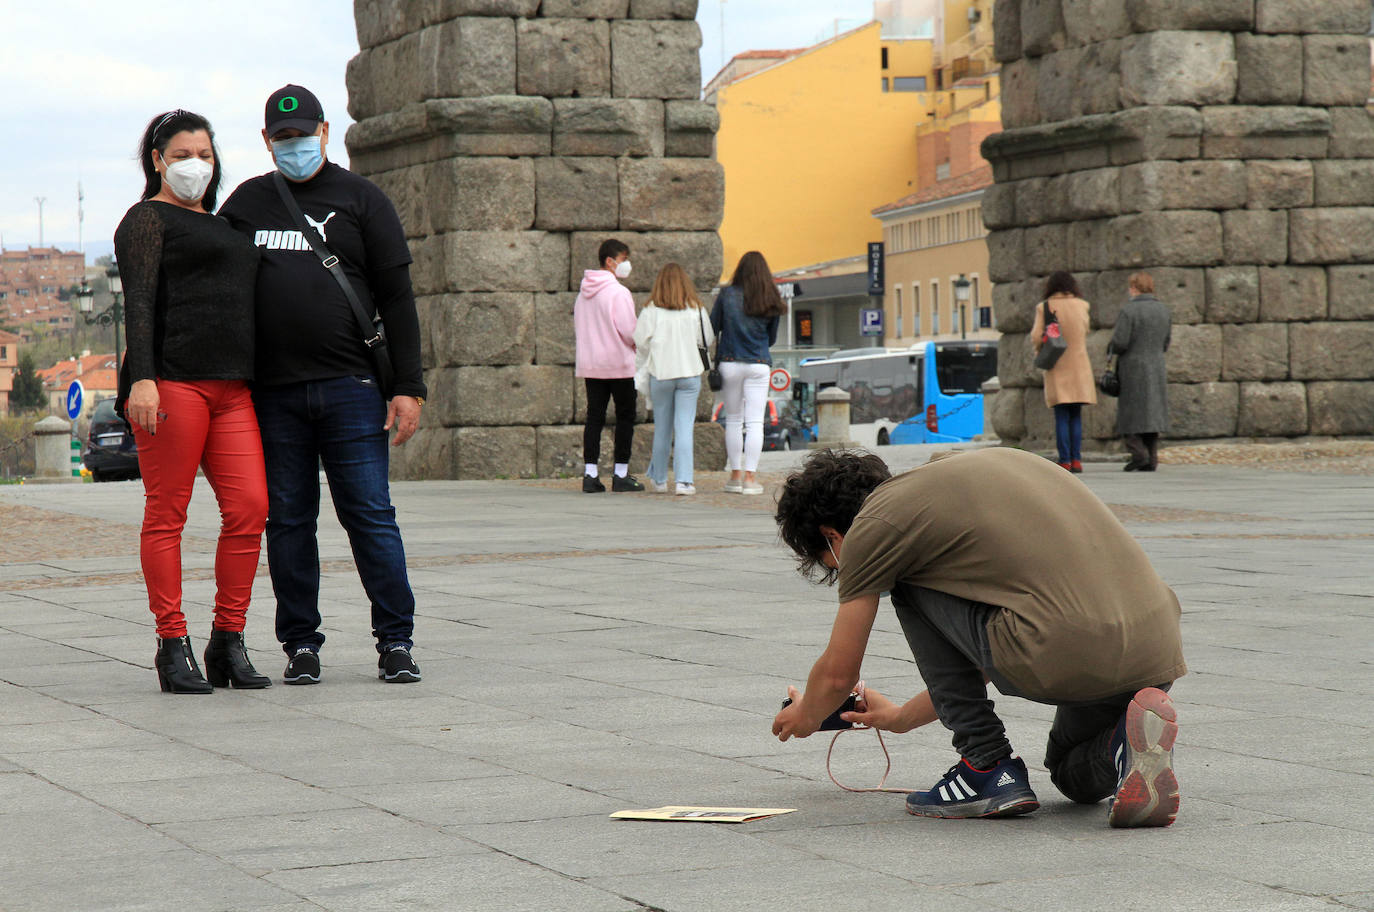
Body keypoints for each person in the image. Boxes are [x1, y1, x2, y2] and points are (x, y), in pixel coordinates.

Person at [771, 447, 1186, 828]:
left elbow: (838, 677)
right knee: (1071, 777)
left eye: (831, 563)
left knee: (906, 582)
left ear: (832, 535)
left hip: (1062, 649)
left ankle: (986, 765)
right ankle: (1123, 745)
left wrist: (806, 717)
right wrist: (899, 718)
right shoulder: (966, 475)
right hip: (1156, 646)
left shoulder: (876, 526)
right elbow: (985, 646)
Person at [218, 85, 427, 685]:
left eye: (303, 135)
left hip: (352, 388)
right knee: (287, 522)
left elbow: (398, 298)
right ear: (266, 141)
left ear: (325, 132)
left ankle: (396, 641)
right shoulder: (247, 204)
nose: (294, 145)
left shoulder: (363, 199)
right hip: (274, 395)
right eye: (283, 138)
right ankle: (300, 645)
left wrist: (407, 386)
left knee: (370, 516)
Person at [114, 109, 270, 694]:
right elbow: (139, 304)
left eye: (203, 154)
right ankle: (172, 643)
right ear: (157, 160)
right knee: (167, 513)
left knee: (251, 506)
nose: (194, 165)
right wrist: (142, 380)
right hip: (173, 384)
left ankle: (228, 640)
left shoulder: (228, 224)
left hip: (233, 388)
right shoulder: (145, 220)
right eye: (181, 155)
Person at [633, 263, 713, 495]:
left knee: (662, 428)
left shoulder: (650, 311)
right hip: (689, 374)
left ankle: (659, 479)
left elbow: (640, 342)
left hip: (661, 374)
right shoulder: (696, 310)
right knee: (684, 427)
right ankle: (684, 481)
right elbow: (706, 339)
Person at [710, 251, 784, 495]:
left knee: (733, 420)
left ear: (740, 270)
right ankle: (750, 479)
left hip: (730, 362)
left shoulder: (727, 295)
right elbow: (771, 338)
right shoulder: (771, 296)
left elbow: (713, 328)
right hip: (759, 363)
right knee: (754, 423)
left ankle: (734, 476)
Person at [575, 239, 643, 493]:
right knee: (625, 417)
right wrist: (637, 347)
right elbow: (628, 330)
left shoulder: (583, 293)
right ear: (610, 261)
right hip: (618, 364)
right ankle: (620, 473)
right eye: (624, 259)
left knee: (594, 417)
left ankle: (590, 473)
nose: (626, 264)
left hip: (591, 364)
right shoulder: (618, 292)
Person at [1029, 271, 1096, 473]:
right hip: (1079, 366)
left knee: (1061, 415)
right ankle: (1077, 459)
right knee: (1076, 415)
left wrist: (1039, 350)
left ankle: (1064, 459)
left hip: (1057, 365)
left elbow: (1035, 336)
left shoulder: (1045, 307)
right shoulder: (1082, 305)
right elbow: (1086, 330)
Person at [1110, 272, 1171, 472]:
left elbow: (1120, 341)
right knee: (1152, 413)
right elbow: (1166, 341)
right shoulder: (1163, 310)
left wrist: (1111, 349)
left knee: (1131, 412)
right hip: (1156, 365)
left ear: (1135, 288)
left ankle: (1139, 454)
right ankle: (1152, 458)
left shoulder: (1129, 311)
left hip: (1133, 367)